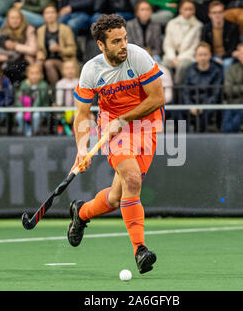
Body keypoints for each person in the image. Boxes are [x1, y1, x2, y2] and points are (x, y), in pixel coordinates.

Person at [67, 14, 165, 274]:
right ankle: (140, 250)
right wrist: (81, 149)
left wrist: (124, 118)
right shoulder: (91, 70)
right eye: (116, 41)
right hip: (112, 128)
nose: (123, 45)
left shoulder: (138, 57)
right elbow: (82, 115)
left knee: (115, 197)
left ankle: (82, 213)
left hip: (146, 123)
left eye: (124, 39)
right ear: (101, 45)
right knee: (132, 180)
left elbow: (157, 98)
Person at [182, 42, 223, 132]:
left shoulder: (216, 71)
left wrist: (203, 106)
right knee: (178, 112)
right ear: (195, 56)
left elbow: (216, 93)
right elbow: (185, 91)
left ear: (210, 55)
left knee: (205, 115)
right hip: (192, 104)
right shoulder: (189, 70)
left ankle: (199, 139)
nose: (203, 57)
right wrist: (190, 106)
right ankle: (184, 139)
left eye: (205, 54)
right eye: (200, 55)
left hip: (208, 105)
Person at [0, 7, 37, 86]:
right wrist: (0, 56)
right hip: (6, 61)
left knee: (14, 68)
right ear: (8, 19)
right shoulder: (3, 31)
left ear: (21, 19)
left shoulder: (28, 30)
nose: (15, 20)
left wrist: (15, 46)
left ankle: (19, 94)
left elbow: (33, 50)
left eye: (17, 18)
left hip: (23, 61)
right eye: (12, 18)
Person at [162, 0, 203, 84]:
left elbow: (194, 47)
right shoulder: (172, 23)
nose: (188, 12)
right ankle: (169, 89)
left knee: (182, 66)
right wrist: (173, 58)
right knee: (164, 64)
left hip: (189, 56)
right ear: (180, 10)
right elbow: (168, 44)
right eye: (186, 9)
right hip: (172, 56)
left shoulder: (198, 25)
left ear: (194, 11)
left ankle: (177, 89)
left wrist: (179, 59)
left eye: (191, 9)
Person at [36, 5, 77, 86]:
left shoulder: (66, 29)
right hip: (47, 59)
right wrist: (40, 57)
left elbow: (73, 50)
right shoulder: (40, 30)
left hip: (64, 60)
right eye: (47, 13)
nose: (50, 15)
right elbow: (40, 49)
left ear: (57, 14)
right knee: (36, 66)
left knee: (49, 64)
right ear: (44, 16)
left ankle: (55, 90)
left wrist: (59, 49)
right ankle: (40, 91)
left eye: (52, 12)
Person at [201, 0, 239, 74]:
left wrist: (222, 58)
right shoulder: (206, 28)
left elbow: (233, 48)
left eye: (220, 12)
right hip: (211, 56)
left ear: (224, 13)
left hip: (227, 56)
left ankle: (225, 85)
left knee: (227, 64)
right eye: (214, 13)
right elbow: (204, 46)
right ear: (209, 14)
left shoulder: (232, 27)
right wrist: (211, 58)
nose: (217, 15)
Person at [15, 63, 52, 136]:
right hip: (26, 109)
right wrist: (23, 109)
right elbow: (20, 97)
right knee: (19, 116)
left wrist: (31, 110)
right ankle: (27, 133)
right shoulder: (24, 84)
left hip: (41, 109)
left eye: (37, 73)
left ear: (41, 75)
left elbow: (39, 100)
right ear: (27, 75)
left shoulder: (43, 85)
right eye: (32, 73)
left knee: (36, 116)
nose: (34, 76)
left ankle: (32, 134)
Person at [55, 60, 80, 135]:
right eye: (67, 68)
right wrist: (59, 107)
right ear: (62, 71)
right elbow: (59, 100)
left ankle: (75, 130)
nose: (70, 70)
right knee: (61, 116)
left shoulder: (79, 82)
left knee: (78, 116)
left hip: (77, 109)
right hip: (65, 110)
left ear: (76, 70)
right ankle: (64, 129)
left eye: (72, 68)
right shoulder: (60, 83)